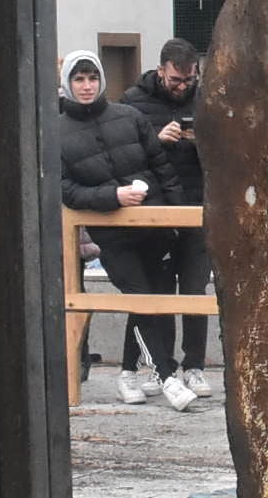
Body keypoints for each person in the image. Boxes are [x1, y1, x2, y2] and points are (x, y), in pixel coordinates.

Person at [55, 50, 186, 406]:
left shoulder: (130, 116)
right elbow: (65, 189)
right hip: (112, 236)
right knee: (140, 297)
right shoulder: (55, 131)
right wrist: (112, 196)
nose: (86, 86)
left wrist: (174, 218)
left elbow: (162, 167)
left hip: (155, 228)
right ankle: (166, 374)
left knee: (153, 300)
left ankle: (128, 373)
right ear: (67, 84)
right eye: (79, 79)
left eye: (92, 78)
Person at [121, 38, 214, 396]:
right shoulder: (133, 102)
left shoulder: (204, 99)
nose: (182, 87)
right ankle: (163, 365)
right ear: (160, 71)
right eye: (176, 79)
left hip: (196, 206)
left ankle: (195, 365)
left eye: (189, 80)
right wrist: (157, 140)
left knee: (194, 290)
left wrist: (199, 138)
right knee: (158, 292)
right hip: (154, 212)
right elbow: (125, 157)